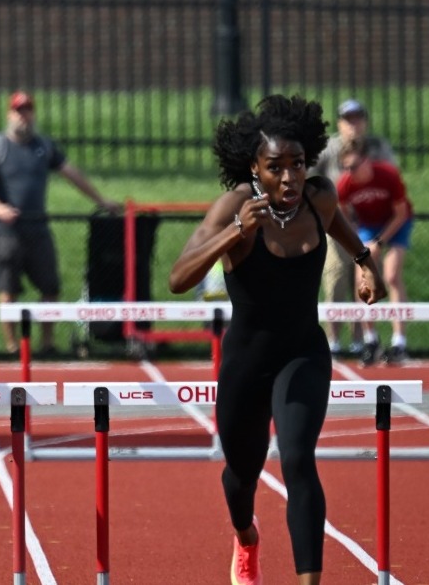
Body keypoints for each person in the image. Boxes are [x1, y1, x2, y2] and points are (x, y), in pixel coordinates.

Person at [167, 95, 386, 584]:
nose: (289, 178)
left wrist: (365, 263)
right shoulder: (234, 207)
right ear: (254, 168)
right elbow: (178, 279)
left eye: (297, 164)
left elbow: (339, 226)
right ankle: (246, 536)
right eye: (276, 167)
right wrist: (235, 232)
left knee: (298, 459)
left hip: (302, 353)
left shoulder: (319, 197)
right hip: (247, 361)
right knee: (240, 477)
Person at [0, 90, 120, 355]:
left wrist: (101, 200)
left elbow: (71, 173)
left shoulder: (43, 146)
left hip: (37, 229)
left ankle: (47, 343)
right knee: (8, 290)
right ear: (9, 114)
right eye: (18, 111)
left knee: (50, 286)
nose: (23, 116)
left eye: (27, 110)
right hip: (4, 232)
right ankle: (12, 346)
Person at [312, 99, 398, 356]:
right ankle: (333, 340)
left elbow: (392, 177)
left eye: (358, 119)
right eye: (348, 120)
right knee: (336, 276)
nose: (353, 125)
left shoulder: (378, 147)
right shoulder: (329, 148)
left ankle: (361, 339)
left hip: (370, 225)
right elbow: (310, 176)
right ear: (340, 123)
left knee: (365, 278)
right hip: (337, 223)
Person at [337, 135, 414, 365]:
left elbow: (400, 213)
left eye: (354, 166)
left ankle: (399, 342)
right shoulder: (345, 184)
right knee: (362, 278)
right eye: (345, 167)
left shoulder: (388, 175)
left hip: (396, 222)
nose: (350, 172)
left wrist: (379, 243)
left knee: (391, 275)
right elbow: (344, 215)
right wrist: (359, 241)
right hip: (368, 226)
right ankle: (370, 339)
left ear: (366, 160)